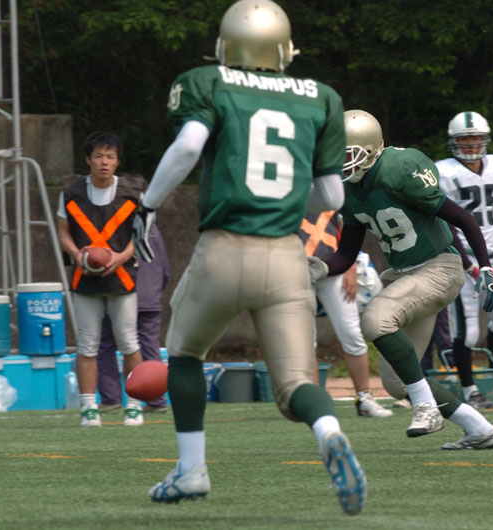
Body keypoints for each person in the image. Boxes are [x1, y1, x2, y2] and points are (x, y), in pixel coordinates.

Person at [130, 0, 366, 513]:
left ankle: (191, 469)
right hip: (287, 257)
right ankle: (329, 431)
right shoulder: (321, 97)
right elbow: (332, 196)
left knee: (185, 353)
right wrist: (287, 199)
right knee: (295, 385)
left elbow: (189, 146)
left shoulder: (209, 82)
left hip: (224, 248)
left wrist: (147, 206)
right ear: (284, 49)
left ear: (227, 45)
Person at [309, 109, 493, 452]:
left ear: (370, 150)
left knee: (375, 319)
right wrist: (316, 269)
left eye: (346, 153)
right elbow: (346, 254)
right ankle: (480, 430)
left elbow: (463, 218)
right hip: (406, 277)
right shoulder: (349, 190)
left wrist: (486, 269)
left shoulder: (400, 169)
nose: (339, 162)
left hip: (439, 267)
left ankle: (427, 408)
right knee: (399, 382)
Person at [56, 132, 146, 427]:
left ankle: (134, 404)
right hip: (85, 279)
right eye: (98, 156)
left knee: (129, 341)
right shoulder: (71, 192)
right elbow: (63, 232)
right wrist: (78, 255)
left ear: (118, 161)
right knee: (87, 344)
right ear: (88, 159)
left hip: (122, 277)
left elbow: (141, 235)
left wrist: (119, 258)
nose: (104, 162)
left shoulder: (134, 193)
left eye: (110, 157)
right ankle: (88, 406)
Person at [436, 111, 493, 410]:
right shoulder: (444, 172)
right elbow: (446, 224)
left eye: (475, 138)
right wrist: (469, 265)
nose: (470, 144)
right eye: (464, 139)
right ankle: (469, 390)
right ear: (454, 142)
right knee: (467, 332)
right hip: (463, 259)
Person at [299, 211, 393, 418]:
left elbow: (344, 226)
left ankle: (365, 398)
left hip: (333, 267)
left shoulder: (332, 193)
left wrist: (350, 266)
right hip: (298, 268)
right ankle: (316, 402)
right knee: (305, 341)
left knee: (351, 334)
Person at [97, 221, 171, 413]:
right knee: (149, 349)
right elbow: (165, 268)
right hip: (150, 298)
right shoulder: (152, 227)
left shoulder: (113, 224)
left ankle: (111, 397)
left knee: (105, 344)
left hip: (120, 294)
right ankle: (156, 399)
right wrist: (155, 292)